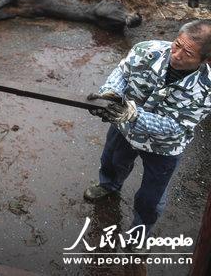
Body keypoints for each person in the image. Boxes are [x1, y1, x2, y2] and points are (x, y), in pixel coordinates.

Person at [85, 20, 211, 239]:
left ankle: (140, 231)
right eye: (177, 44)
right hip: (124, 129)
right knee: (112, 161)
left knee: (151, 197)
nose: (177, 55)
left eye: (188, 52)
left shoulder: (206, 88)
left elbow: (175, 127)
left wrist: (133, 114)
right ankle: (109, 185)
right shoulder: (147, 50)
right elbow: (123, 73)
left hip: (163, 147)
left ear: (205, 59)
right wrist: (111, 93)